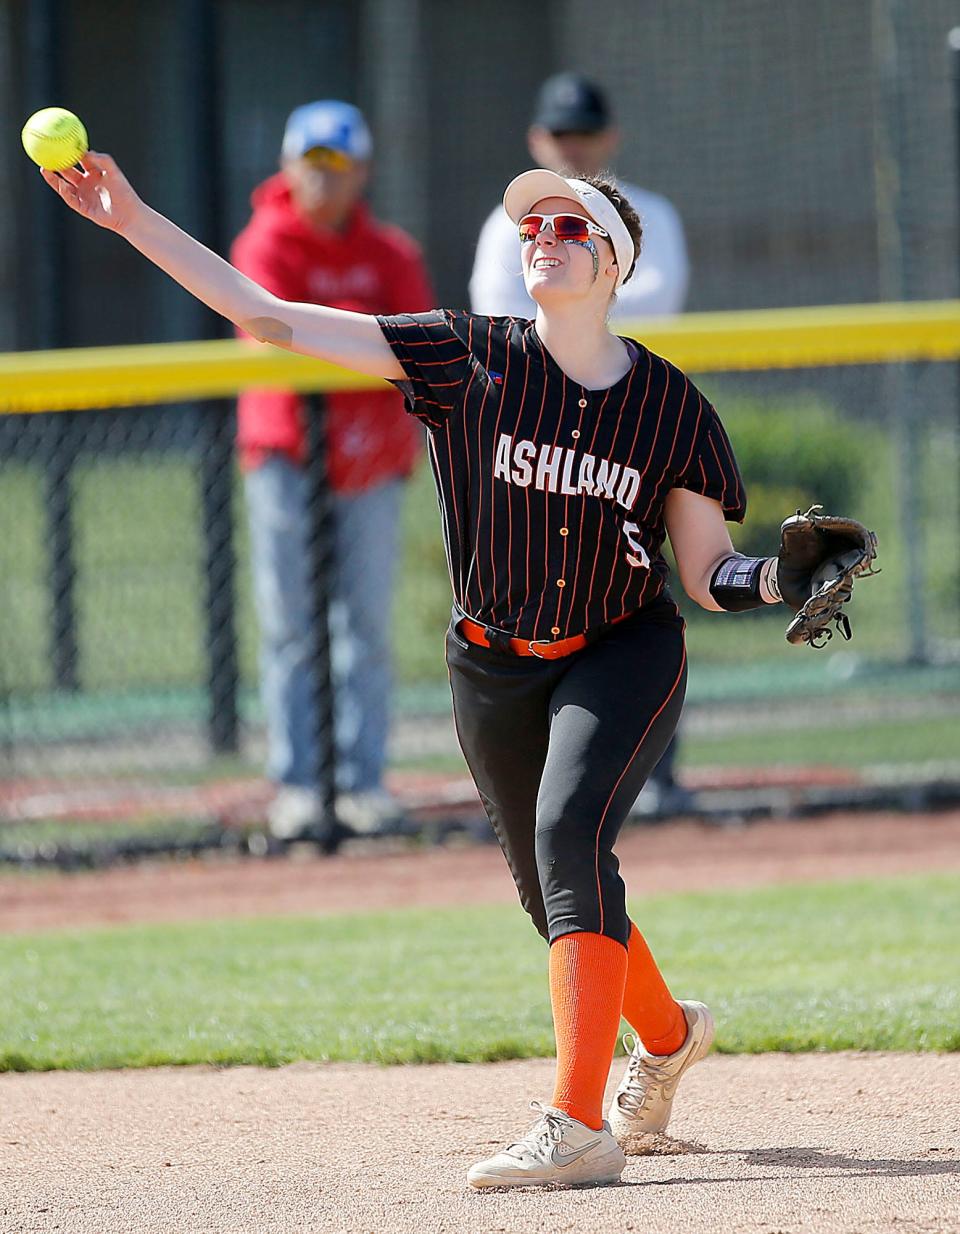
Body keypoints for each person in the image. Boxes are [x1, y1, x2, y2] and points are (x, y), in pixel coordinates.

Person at [45, 151, 797, 1191]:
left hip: (623, 648)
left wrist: (776, 581)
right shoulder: (465, 356)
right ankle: (667, 1037)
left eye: (569, 228)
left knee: (569, 837)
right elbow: (271, 317)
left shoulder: (670, 409)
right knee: (556, 895)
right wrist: (131, 220)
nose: (543, 238)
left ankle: (577, 1126)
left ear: (614, 262)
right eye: (533, 227)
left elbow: (710, 571)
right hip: (491, 662)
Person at [470, 71, 693, 818]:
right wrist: (577, 312)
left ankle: (648, 768)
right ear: (539, 140)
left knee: (641, 587)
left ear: (610, 138)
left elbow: (661, 293)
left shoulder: (649, 212)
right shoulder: (512, 228)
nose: (573, 146)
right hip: (535, 432)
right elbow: (496, 315)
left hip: (635, 429)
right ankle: (555, 775)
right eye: (560, 135)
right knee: (542, 586)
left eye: (584, 133)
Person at [230, 101, 433, 839]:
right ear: (287, 166)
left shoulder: (392, 253)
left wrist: (333, 323)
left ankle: (362, 781)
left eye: (338, 165)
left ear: (363, 173)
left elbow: (417, 351)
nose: (323, 178)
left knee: (367, 627)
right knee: (289, 626)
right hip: (287, 455)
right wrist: (356, 325)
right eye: (312, 162)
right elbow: (273, 338)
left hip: (372, 459)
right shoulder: (264, 241)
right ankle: (297, 785)